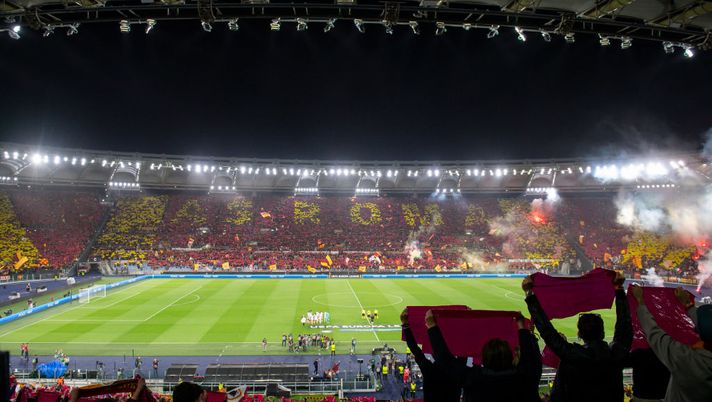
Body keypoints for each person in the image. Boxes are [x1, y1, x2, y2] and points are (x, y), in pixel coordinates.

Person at [523, 272, 632, 402]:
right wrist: (619, 290)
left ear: (579, 334)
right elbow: (624, 325)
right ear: (602, 332)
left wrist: (529, 293)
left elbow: (547, 331)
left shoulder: (573, 355)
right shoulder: (616, 354)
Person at [427, 309, 542, 402]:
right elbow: (529, 356)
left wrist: (432, 326)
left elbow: (446, 360)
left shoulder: (474, 378)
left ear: (484, 358)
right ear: (510, 356)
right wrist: (522, 327)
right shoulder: (524, 377)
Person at [630, 285, 712, 402]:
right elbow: (704, 325)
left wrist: (640, 301)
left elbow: (654, 332)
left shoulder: (686, 358)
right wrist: (688, 305)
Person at [401, 308, 461, 401]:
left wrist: (405, 324)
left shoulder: (430, 371)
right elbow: (463, 350)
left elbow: (415, 349)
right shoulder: (457, 370)